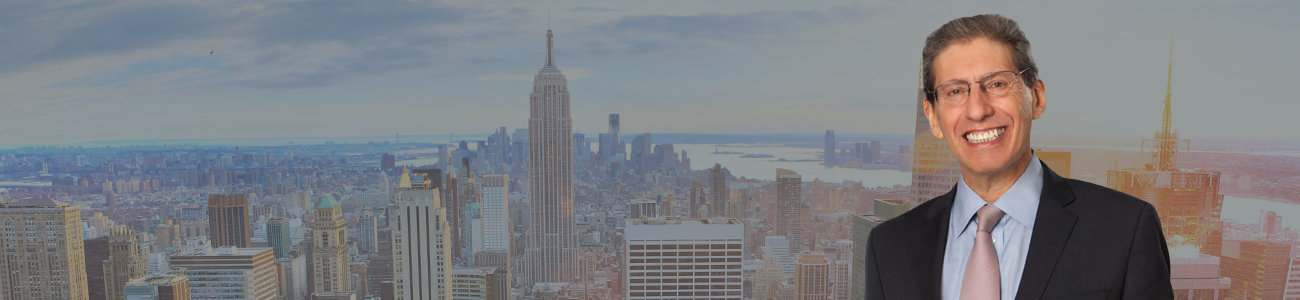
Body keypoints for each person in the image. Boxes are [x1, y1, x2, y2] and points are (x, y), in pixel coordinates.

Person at [864, 14, 1174, 300]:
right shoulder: (890, 246)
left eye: (997, 84)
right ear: (932, 117)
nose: (978, 110)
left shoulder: (1124, 230)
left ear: (1036, 98)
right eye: (955, 91)